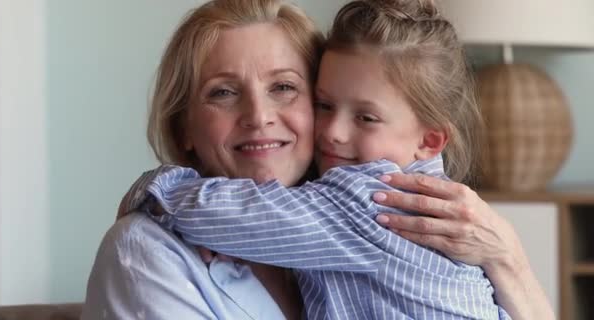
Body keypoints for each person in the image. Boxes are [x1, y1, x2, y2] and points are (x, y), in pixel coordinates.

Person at [81, 0, 554, 319]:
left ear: (430, 141)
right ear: (182, 124)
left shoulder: (375, 201)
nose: (260, 116)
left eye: (284, 87)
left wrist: (510, 257)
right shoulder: (143, 252)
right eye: (223, 93)